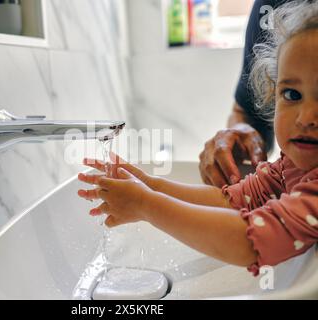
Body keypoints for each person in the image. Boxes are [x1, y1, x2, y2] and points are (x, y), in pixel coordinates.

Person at [77, 0, 318, 275]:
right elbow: (236, 201)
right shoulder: (294, 165)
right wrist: (151, 185)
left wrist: (145, 204)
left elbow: (248, 242)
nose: (305, 117)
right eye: (292, 95)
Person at [199, 0, 291, 188]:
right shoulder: (269, 7)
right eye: (292, 95)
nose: (307, 117)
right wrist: (241, 133)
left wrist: (143, 200)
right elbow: (246, 112)